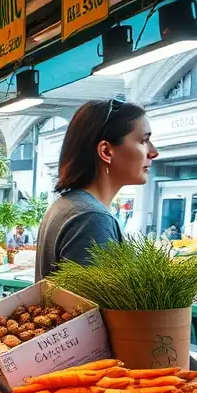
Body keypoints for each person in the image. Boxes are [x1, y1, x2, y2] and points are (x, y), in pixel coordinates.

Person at [36, 99, 157, 280]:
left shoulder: (68, 206)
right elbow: (90, 307)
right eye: (144, 140)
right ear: (106, 152)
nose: (153, 151)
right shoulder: (91, 218)